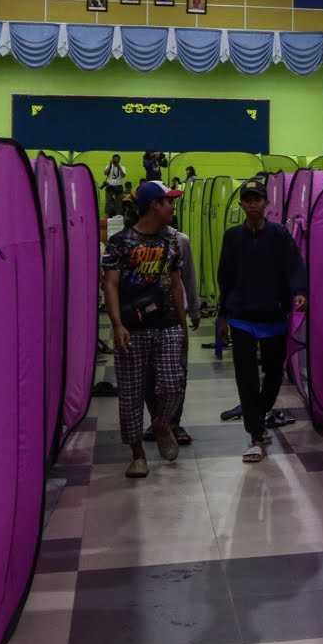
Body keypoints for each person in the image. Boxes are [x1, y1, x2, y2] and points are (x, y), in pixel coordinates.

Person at [217, 178, 307, 462]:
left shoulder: (279, 235)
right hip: (241, 317)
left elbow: (295, 265)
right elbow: (225, 276)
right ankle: (255, 435)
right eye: (248, 199)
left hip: (273, 316)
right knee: (246, 377)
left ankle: (259, 410)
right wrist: (223, 312)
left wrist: (299, 292)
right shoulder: (232, 237)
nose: (253, 204)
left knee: (274, 373)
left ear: (266, 204)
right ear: (241, 204)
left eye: (258, 199)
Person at [102, 181, 187, 478]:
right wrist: (117, 324)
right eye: (169, 202)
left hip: (167, 324)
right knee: (131, 392)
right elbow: (110, 284)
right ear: (154, 205)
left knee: (172, 382)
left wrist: (183, 321)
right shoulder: (120, 242)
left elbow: (176, 283)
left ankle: (161, 423)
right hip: (132, 327)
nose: (172, 207)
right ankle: (137, 454)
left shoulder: (172, 242)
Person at [144, 222, 199, 446]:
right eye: (166, 202)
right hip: (143, 319)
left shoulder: (180, 241)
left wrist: (194, 309)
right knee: (149, 375)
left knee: (177, 373)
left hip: (174, 316)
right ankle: (158, 421)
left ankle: (173, 423)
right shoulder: (130, 240)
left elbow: (188, 278)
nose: (171, 207)